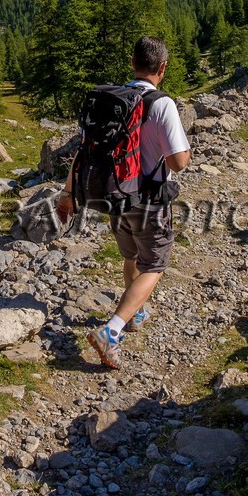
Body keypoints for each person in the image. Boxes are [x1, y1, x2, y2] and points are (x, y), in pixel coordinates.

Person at [56, 35, 191, 370]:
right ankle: (112, 330)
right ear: (162, 67)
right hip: (150, 201)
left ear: (132, 64)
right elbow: (178, 162)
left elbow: (83, 152)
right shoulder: (162, 103)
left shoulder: (111, 100)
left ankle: (136, 312)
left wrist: (68, 193)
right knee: (155, 265)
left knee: (130, 254)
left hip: (114, 197)